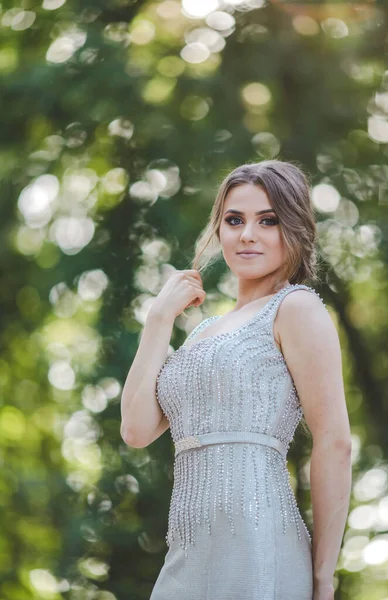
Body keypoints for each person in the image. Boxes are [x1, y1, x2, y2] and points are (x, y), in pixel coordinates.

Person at [120, 159, 352, 600]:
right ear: (218, 230)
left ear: (295, 229)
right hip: (187, 553)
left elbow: (335, 443)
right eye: (234, 220)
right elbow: (135, 430)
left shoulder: (295, 307)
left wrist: (323, 577)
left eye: (268, 220)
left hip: (260, 545)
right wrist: (158, 319)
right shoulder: (203, 332)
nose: (247, 234)